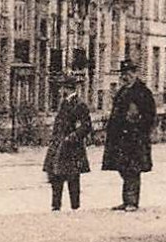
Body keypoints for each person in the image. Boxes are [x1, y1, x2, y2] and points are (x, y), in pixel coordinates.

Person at [103, 58, 156, 210]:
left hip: (135, 138)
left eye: (129, 73)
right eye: (123, 74)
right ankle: (126, 200)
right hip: (120, 138)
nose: (126, 76)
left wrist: (139, 128)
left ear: (135, 73)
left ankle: (132, 202)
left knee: (133, 169)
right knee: (123, 168)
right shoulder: (122, 91)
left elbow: (150, 115)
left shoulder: (143, 92)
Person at [43, 74, 92, 211]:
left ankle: (74, 207)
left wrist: (72, 137)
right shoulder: (64, 103)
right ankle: (55, 206)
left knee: (72, 178)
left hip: (71, 147)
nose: (59, 91)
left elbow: (86, 126)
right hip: (58, 144)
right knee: (55, 176)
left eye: (61, 88)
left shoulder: (80, 105)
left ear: (67, 88)